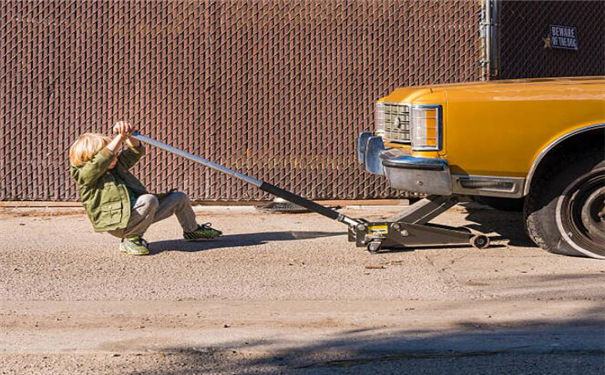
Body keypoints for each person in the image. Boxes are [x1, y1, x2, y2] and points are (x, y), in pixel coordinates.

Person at [68, 121, 221, 255]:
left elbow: (135, 151)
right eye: (111, 155)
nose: (115, 157)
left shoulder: (115, 167)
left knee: (178, 198)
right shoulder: (86, 176)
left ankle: (192, 230)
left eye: (115, 154)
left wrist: (128, 135)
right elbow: (99, 162)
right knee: (149, 200)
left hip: (138, 214)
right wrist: (118, 138)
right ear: (90, 159)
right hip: (118, 224)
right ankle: (130, 239)